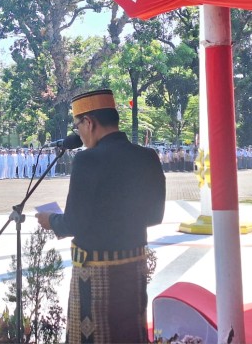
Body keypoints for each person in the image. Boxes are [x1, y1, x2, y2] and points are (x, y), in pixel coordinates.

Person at [35, 89, 166, 343]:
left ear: (89, 122)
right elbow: (154, 216)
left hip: (94, 276)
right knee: (130, 335)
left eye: (78, 126)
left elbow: (73, 222)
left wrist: (50, 220)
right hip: (133, 270)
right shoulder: (148, 157)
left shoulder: (88, 160)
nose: (79, 134)